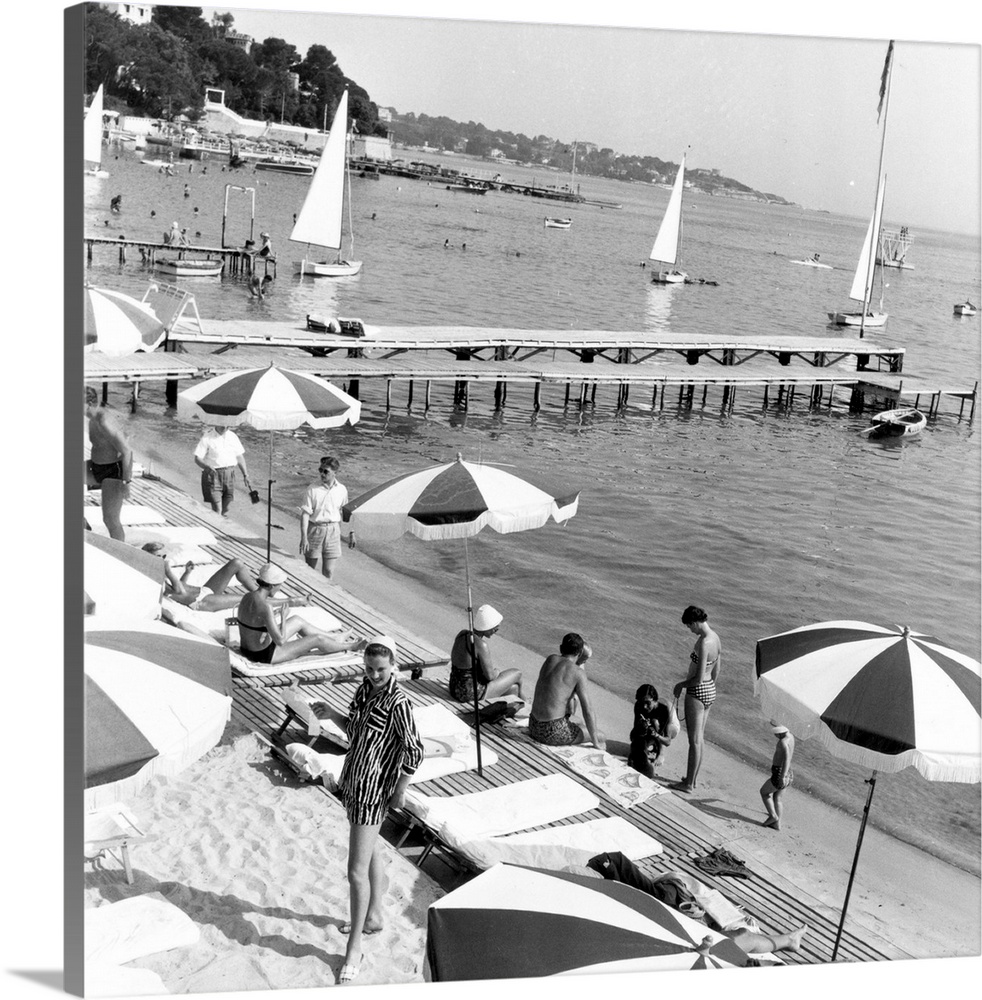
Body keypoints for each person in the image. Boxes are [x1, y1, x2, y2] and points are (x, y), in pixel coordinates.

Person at [334, 635, 424, 984]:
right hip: (353, 782)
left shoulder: (399, 702)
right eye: (369, 668)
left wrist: (400, 789)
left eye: (381, 669)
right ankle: (373, 916)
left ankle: (354, 946)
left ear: (393, 666)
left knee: (355, 871)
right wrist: (335, 716)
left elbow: (414, 750)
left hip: (374, 791)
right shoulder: (362, 691)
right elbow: (356, 733)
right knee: (369, 855)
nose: (374, 675)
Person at [235, 562, 367, 665]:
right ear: (271, 585)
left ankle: (335, 638)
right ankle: (352, 646)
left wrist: (275, 616)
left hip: (247, 649)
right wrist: (283, 616)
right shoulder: (266, 606)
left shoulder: (247, 597)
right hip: (263, 655)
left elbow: (254, 620)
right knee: (316, 639)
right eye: (279, 585)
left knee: (297, 620)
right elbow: (280, 641)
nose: (280, 588)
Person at [672, 605, 722, 793]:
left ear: (694, 622)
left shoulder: (703, 643)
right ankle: (692, 778)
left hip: (698, 691)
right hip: (710, 690)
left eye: (689, 626)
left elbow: (698, 678)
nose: (690, 630)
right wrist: (711, 686)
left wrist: (681, 685)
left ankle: (688, 784)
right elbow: (717, 668)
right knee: (700, 739)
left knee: (693, 740)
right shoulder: (715, 638)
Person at [529, 633, 605, 749]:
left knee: (578, 721)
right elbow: (588, 710)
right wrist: (595, 742)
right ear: (579, 654)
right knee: (601, 736)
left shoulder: (550, 659)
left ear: (561, 648)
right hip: (551, 732)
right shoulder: (578, 673)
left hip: (533, 725)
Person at [143, 549, 270, 612]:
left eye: (163, 556)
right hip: (201, 601)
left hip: (204, 591)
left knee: (236, 563)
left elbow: (180, 587)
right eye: (159, 556)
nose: (163, 558)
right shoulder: (153, 576)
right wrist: (167, 569)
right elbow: (178, 592)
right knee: (247, 598)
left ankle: (261, 592)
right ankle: (283, 601)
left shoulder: (160, 571)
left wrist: (187, 573)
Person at [448, 604, 523, 704]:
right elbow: (490, 677)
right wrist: (497, 671)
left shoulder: (462, 634)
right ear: (487, 627)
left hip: (455, 688)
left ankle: (518, 705)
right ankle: (526, 704)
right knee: (517, 673)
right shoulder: (481, 645)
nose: (496, 632)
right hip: (470, 694)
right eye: (495, 629)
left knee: (513, 688)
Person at [85, 387, 133, 541]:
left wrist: (126, 482)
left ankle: (120, 554)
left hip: (113, 472)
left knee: (110, 520)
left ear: (89, 403)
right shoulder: (92, 418)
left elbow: (127, 451)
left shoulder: (104, 420)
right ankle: (82, 525)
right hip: (96, 467)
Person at [299, 456, 353, 581]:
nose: (322, 474)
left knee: (328, 571)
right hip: (315, 529)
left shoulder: (342, 490)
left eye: (326, 471)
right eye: (320, 470)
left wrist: (351, 532)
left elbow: (345, 513)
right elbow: (305, 514)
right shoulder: (312, 489)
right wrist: (304, 537)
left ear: (335, 473)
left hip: (334, 530)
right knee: (310, 569)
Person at [193, 426, 252, 517]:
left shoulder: (233, 436)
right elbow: (197, 458)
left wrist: (245, 474)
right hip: (213, 475)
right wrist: (206, 466)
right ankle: (216, 528)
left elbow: (239, 457)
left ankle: (218, 523)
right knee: (217, 509)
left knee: (226, 508)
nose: (226, 426)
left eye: (228, 424)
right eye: (223, 423)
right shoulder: (207, 437)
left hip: (229, 474)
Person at [627, 683, 672, 777]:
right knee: (635, 738)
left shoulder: (664, 709)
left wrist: (656, 736)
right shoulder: (639, 706)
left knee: (656, 723)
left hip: (671, 723)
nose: (644, 707)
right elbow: (635, 732)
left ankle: (660, 751)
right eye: (642, 702)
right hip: (651, 726)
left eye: (648, 703)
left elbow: (668, 741)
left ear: (655, 700)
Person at [760, 722, 796, 830]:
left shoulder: (782, 743)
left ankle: (773, 816)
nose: (775, 736)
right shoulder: (791, 736)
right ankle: (777, 824)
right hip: (790, 772)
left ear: (780, 734)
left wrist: (782, 777)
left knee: (764, 792)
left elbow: (787, 759)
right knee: (778, 798)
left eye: (776, 734)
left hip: (780, 773)